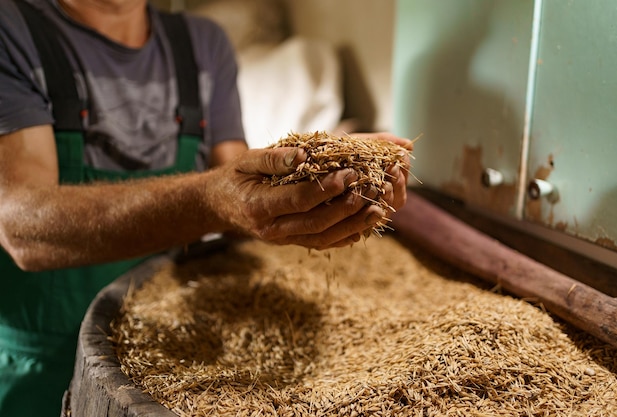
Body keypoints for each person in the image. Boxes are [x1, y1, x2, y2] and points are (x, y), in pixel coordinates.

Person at [0, 0, 412, 415]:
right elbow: (23, 228)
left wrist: (311, 182)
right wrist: (210, 198)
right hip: (42, 364)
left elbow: (233, 194)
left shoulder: (201, 45)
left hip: (162, 349)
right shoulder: (12, 30)